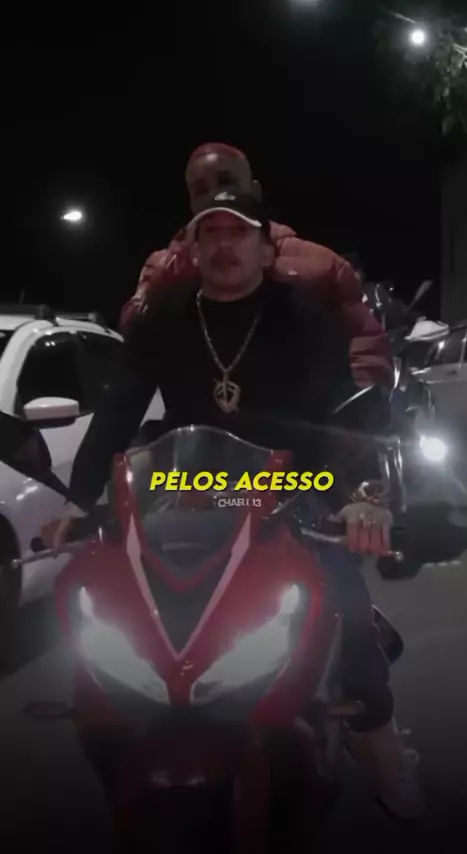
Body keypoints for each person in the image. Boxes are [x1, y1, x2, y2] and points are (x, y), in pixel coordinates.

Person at [42, 190, 423, 819]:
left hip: (297, 490)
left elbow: (344, 418)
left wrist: (362, 499)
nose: (224, 245)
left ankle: (379, 743)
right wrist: (81, 502)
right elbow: (118, 411)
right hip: (189, 492)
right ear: (193, 249)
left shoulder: (305, 320)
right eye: (210, 233)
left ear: (265, 249)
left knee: (348, 607)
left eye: (238, 232)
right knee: (111, 598)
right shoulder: (164, 319)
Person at [120, 142, 393, 390]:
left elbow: (365, 345)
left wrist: (353, 409)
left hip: (292, 421)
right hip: (193, 422)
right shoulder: (164, 267)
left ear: (255, 192)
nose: (215, 194)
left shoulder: (322, 266)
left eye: (227, 181)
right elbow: (133, 343)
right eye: (200, 190)